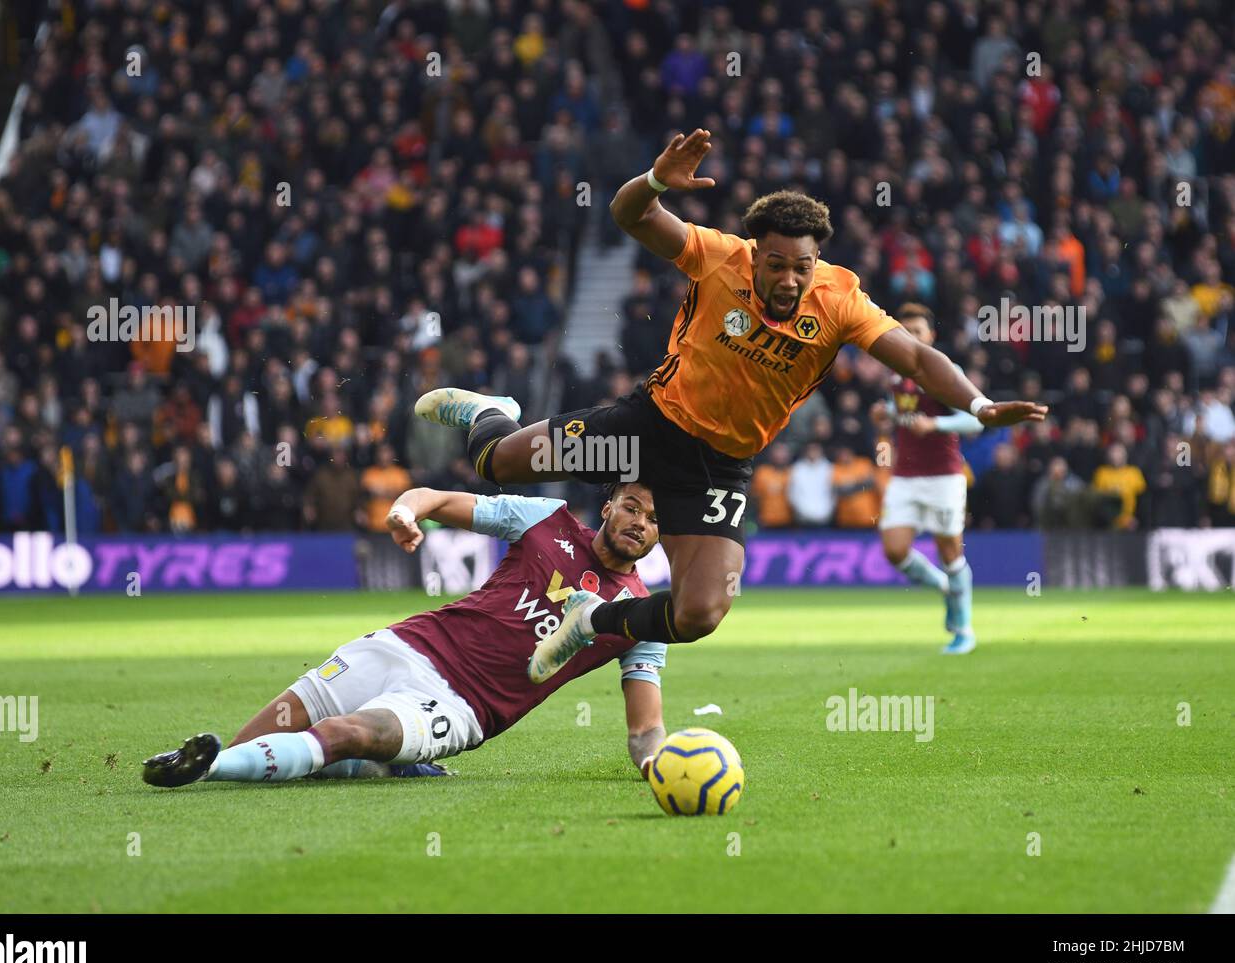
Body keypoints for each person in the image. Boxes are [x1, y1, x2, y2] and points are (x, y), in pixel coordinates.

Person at [415, 129, 1047, 683]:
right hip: (648, 429)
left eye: (802, 267)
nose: (789, 281)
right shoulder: (718, 256)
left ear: (816, 261)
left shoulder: (841, 300)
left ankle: (592, 621)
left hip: (719, 468)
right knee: (496, 463)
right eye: (776, 265)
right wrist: (657, 180)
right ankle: (488, 409)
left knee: (700, 614)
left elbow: (915, 358)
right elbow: (630, 215)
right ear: (756, 252)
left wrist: (979, 402)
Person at [143, 483, 668, 787]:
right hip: (405, 644)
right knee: (265, 734)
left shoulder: (642, 616)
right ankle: (241, 760)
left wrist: (658, 767)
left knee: (351, 730)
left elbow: (644, 730)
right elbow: (436, 500)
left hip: (460, 705)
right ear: (608, 507)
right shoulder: (544, 520)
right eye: (631, 506)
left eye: (652, 518)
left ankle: (211, 766)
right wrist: (404, 511)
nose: (639, 522)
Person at [874, 303, 985, 655]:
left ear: (931, 337)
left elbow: (975, 420)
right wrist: (887, 413)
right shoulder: (895, 374)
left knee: (950, 553)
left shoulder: (945, 371)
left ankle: (963, 629)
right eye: (905, 332)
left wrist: (935, 425)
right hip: (905, 474)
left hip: (943, 475)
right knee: (894, 550)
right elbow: (907, 411)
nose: (911, 338)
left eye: (918, 332)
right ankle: (942, 585)